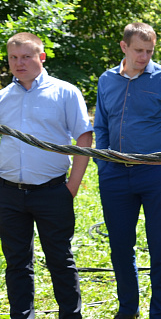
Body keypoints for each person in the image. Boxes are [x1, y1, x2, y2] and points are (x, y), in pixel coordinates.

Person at [0, 32, 93, 319]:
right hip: (8, 193)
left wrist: (72, 186)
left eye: (26, 56)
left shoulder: (65, 92)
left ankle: (70, 315)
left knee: (60, 260)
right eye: (13, 57)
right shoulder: (3, 98)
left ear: (41, 57)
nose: (19, 63)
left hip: (52, 192)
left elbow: (84, 137)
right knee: (16, 263)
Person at [94, 23, 161, 319]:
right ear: (124, 47)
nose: (144, 57)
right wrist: (103, 165)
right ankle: (127, 310)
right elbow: (101, 125)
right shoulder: (106, 80)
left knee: (160, 246)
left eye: (149, 51)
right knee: (120, 246)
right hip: (115, 175)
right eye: (139, 50)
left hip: (156, 175)